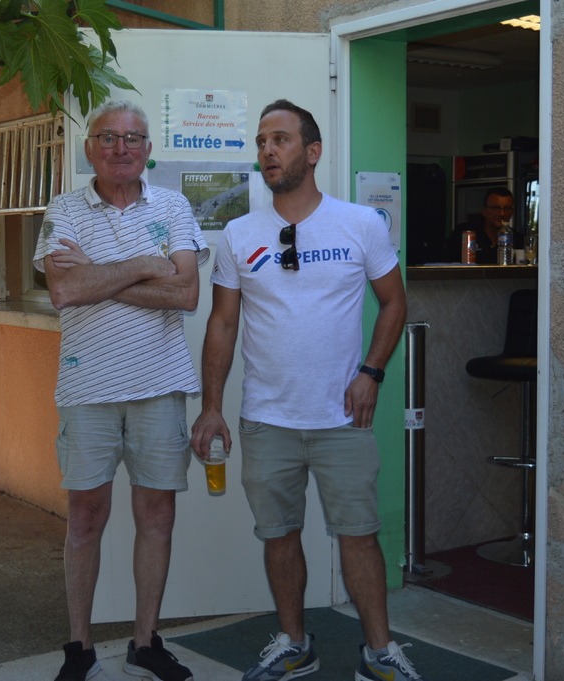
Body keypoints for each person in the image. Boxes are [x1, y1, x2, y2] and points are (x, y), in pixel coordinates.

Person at [190, 100, 428, 681]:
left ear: (313, 151)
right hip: (266, 419)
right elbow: (222, 323)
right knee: (279, 536)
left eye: (281, 139)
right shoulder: (240, 234)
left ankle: (379, 653)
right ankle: (295, 644)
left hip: (343, 418)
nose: (267, 151)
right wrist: (212, 407)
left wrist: (371, 372)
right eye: (261, 142)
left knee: (359, 537)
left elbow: (394, 303)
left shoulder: (360, 224)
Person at [33, 99, 208, 681]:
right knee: (85, 516)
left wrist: (98, 272)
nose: (120, 148)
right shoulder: (64, 209)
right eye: (107, 137)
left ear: (148, 149)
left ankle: (144, 643)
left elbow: (187, 295)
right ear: (90, 148)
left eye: (132, 138)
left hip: (160, 385)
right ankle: (79, 647)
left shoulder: (174, 206)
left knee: (157, 513)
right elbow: (64, 292)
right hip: (87, 389)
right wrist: (146, 264)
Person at [446, 188, 519, 264]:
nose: (502, 214)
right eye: (496, 208)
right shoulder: (464, 233)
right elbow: (448, 265)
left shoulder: (517, 238)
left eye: (507, 209)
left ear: (512, 212)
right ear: (484, 211)